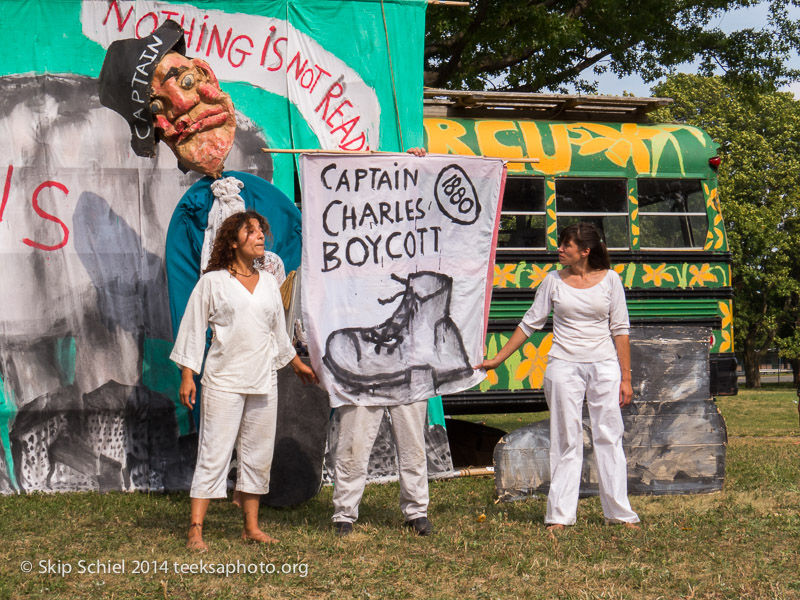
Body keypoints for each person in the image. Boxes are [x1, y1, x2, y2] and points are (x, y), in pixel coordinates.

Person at [475, 222, 640, 531]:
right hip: (564, 366)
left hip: (604, 366)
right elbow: (529, 324)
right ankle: (560, 516)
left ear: (585, 251)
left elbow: (621, 330)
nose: (559, 249)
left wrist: (626, 378)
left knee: (608, 436)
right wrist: (498, 359)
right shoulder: (552, 281)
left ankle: (619, 513)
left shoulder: (611, 281)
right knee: (566, 439)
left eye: (566, 245)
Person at [170, 210, 317, 551]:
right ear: (233, 242)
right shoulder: (213, 281)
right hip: (224, 381)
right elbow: (193, 327)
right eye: (250, 231)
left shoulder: (268, 282)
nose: (260, 236)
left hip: (263, 381)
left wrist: (296, 364)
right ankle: (195, 528)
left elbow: (276, 333)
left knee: (257, 454)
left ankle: (251, 526)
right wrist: (188, 375)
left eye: (261, 231)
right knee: (214, 453)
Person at [330, 147, 436, 538]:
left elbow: (429, 210)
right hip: (362, 360)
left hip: (407, 360)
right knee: (353, 441)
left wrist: (414, 169)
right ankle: (344, 512)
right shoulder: (347, 245)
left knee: (412, 442)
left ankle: (416, 510)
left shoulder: (414, 243)